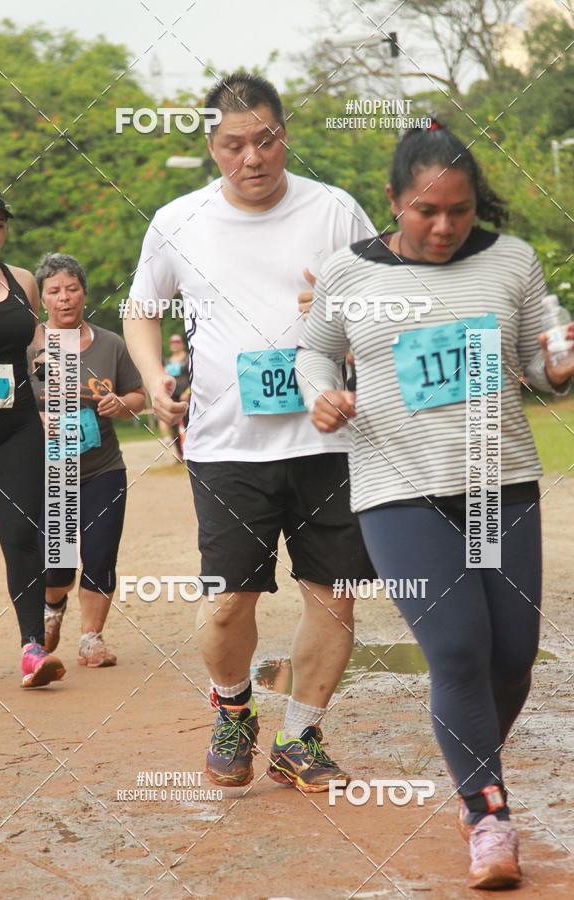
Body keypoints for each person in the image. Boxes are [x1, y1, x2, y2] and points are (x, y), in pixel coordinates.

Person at [297, 121, 574, 888]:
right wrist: (322, 394)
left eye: (459, 209)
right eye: (427, 211)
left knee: (512, 658)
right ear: (392, 201)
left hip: (500, 479)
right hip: (397, 487)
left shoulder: (511, 261)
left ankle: (469, 773)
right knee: (456, 648)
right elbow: (313, 349)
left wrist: (558, 363)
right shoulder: (348, 273)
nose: (446, 226)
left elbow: (541, 361)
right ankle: (488, 814)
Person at [124, 72, 377, 792]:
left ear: (283, 135)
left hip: (327, 437)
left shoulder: (334, 211)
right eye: (234, 145)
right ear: (213, 147)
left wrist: (344, 307)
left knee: (334, 593)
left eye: (264, 140)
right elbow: (142, 309)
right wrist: (152, 378)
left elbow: (387, 303)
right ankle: (234, 708)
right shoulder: (179, 221)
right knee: (230, 601)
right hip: (227, 444)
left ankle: (299, 735)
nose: (252, 158)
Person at [31, 253, 145, 667]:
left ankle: (90, 639)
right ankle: (52, 607)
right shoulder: (29, 346)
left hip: (103, 469)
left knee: (99, 554)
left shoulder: (110, 343)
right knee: (56, 564)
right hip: (51, 473)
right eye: (55, 291)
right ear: (42, 298)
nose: (65, 298)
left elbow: (137, 396)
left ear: (84, 292)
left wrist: (121, 403)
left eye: (72, 288)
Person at [0, 185, 65, 687]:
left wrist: (53, 364)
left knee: (23, 534)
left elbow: (36, 345)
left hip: (16, 426)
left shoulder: (23, 280)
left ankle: (33, 647)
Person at [158, 333, 190, 460]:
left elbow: (194, 378)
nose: (175, 345)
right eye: (172, 342)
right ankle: (180, 455)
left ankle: (192, 452)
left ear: (182, 344)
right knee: (173, 426)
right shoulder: (167, 361)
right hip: (172, 396)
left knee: (189, 425)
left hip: (187, 396)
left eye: (177, 342)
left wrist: (187, 392)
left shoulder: (188, 358)